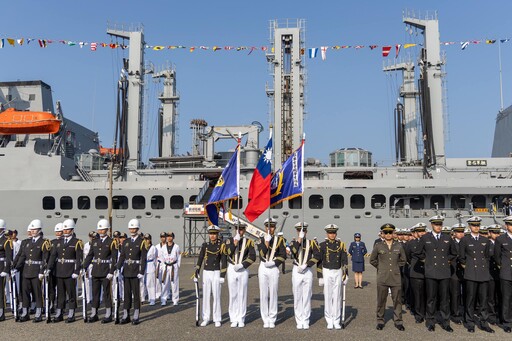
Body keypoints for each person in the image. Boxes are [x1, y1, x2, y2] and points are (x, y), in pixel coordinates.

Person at [413, 215, 457, 332]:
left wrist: (448, 260)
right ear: (432, 225)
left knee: (444, 299)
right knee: (431, 299)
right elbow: (417, 252)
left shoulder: (447, 238)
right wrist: (426, 260)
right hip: (431, 272)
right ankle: (431, 321)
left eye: (440, 224)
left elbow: (454, 252)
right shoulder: (425, 237)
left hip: (444, 272)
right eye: (436, 224)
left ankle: (445, 322)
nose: (439, 226)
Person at [459, 216, 494, 333]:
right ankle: (470, 322)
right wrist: (467, 266)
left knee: (483, 300)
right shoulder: (465, 240)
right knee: (470, 299)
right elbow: (461, 257)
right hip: (471, 273)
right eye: (474, 225)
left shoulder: (485, 241)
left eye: (478, 225)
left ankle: (484, 322)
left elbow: (487, 256)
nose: (476, 227)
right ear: (469, 226)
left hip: (483, 273)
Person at [370, 223, 407, 331]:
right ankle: (380, 321)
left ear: (393, 233)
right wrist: (381, 268)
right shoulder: (378, 246)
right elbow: (372, 260)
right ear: (382, 234)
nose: (388, 234)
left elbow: (403, 260)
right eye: (386, 232)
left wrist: (395, 267)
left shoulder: (399, 246)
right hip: (383, 278)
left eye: (390, 232)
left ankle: (398, 321)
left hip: (395, 278)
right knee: (381, 300)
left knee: (397, 301)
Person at [13, 219, 51, 322]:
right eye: (32, 229)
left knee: (37, 293)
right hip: (26, 271)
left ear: (39, 230)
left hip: (36, 271)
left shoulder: (44, 242)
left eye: (35, 229)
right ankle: (25, 313)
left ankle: (38, 313)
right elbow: (22, 257)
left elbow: (45, 258)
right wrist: (16, 268)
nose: (33, 231)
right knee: (25, 293)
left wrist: (42, 271)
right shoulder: (27, 242)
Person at [82, 219, 118, 323]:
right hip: (96, 270)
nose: (101, 231)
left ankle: (108, 313)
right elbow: (89, 256)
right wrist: (84, 267)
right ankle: (94, 313)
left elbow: (114, 258)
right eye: (99, 229)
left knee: (107, 293)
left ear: (107, 229)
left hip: (106, 270)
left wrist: (112, 271)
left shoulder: (112, 242)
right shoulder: (94, 242)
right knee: (95, 293)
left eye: (103, 229)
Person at [48, 219, 83, 323]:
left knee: (71, 293)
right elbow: (53, 256)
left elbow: (79, 259)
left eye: (68, 229)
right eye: (64, 229)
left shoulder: (77, 242)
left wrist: (77, 271)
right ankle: (59, 312)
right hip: (59, 271)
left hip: (70, 272)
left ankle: (71, 313)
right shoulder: (58, 242)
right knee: (60, 294)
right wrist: (49, 268)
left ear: (72, 230)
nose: (66, 231)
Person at [223, 221, 256, 328]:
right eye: (237, 229)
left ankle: (241, 318)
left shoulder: (249, 242)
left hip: (242, 268)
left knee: (242, 294)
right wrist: (235, 243)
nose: (239, 231)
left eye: (241, 229)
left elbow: (252, 257)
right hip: (232, 268)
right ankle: (233, 317)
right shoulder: (228, 241)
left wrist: (243, 265)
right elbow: (228, 253)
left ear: (244, 230)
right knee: (233, 294)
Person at [116, 218, 148, 325]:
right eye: (130, 228)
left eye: (134, 228)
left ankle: (136, 314)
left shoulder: (142, 242)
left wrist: (142, 271)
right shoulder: (126, 242)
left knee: (136, 294)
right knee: (127, 294)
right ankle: (126, 314)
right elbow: (122, 256)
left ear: (137, 229)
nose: (132, 230)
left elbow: (143, 258)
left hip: (135, 271)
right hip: (126, 270)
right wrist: (117, 268)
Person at [317, 223, 348, 330]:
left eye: (334, 233)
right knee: (328, 296)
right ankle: (329, 320)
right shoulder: (322, 245)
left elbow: (344, 260)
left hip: (338, 271)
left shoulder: (341, 245)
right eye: (330, 233)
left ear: (336, 233)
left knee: (337, 297)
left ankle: (336, 320)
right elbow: (319, 261)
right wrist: (320, 276)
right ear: (327, 233)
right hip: (327, 271)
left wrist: (345, 274)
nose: (332, 235)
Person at [289, 222, 320, 330]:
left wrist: (307, 265)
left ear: (306, 231)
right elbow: (292, 253)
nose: (302, 232)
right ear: (297, 231)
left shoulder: (312, 243)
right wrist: (299, 240)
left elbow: (317, 256)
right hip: (296, 270)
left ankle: (305, 319)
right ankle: (299, 319)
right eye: (299, 231)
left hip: (307, 270)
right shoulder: (293, 243)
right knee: (297, 296)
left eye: (303, 231)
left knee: (307, 296)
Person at [195, 225, 226, 327]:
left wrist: (222, 275)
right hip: (206, 272)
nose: (212, 236)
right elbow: (200, 258)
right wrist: (197, 271)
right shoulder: (205, 245)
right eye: (211, 234)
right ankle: (206, 318)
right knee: (206, 295)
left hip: (216, 271)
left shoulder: (221, 245)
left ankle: (217, 318)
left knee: (216, 295)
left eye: (214, 234)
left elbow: (224, 261)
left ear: (217, 234)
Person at [258, 218, 287, 329]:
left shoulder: (279, 240)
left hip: (273, 267)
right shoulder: (260, 239)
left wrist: (274, 262)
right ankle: (265, 318)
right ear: (265, 227)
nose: (270, 229)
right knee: (264, 294)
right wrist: (266, 243)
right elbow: (261, 255)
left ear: (274, 228)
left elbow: (283, 255)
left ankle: (272, 318)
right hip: (263, 267)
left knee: (273, 293)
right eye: (268, 226)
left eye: (272, 227)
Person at [405, 222, 427, 324]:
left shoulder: (430, 242)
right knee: (417, 295)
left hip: (429, 272)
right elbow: (408, 257)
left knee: (428, 294)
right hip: (416, 272)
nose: (422, 233)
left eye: (423, 231)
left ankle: (428, 312)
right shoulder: (410, 244)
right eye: (419, 231)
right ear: (416, 233)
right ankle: (419, 315)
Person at [495, 216, 512, 333]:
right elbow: (497, 257)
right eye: (510, 224)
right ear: (506, 226)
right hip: (506, 272)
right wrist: (503, 266)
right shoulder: (501, 239)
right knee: (506, 299)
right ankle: (507, 322)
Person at [449, 223, 465, 325]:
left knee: (468, 294)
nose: (461, 234)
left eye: (462, 231)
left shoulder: (467, 242)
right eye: (458, 232)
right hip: (454, 271)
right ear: (454, 233)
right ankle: (455, 314)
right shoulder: (451, 243)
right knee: (455, 294)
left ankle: (466, 313)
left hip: (466, 271)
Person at [159, 232, 181, 306]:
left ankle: (175, 300)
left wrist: (177, 266)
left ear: (173, 237)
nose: (169, 238)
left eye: (170, 236)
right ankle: (163, 299)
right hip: (166, 266)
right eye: (167, 236)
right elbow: (161, 258)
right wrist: (162, 266)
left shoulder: (177, 247)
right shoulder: (163, 247)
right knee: (164, 283)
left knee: (174, 283)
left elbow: (179, 257)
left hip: (173, 266)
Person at [487, 224, 502, 325]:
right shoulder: (486, 244)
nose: (496, 235)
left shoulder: (502, 243)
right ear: (489, 233)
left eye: (498, 232)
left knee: (501, 297)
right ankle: (492, 317)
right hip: (490, 274)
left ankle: (501, 316)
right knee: (491, 297)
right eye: (494, 232)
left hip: (501, 274)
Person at [0, 219, 13, 321]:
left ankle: (1, 312)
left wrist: (6, 269)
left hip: (1, 266)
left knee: (0, 290)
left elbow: (9, 257)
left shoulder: (6, 241)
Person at [142, 233, 158, 306]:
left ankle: (152, 299)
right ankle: (142, 298)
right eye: (145, 239)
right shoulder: (142, 247)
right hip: (143, 265)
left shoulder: (153, 248)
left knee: (150, 283)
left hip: (150, 265)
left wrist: (155, 267)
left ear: (150, 240)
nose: (146, 240)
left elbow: (155, 258)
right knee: (142, 283)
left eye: (147, 239)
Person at [155, 232, 167, 300]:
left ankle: (166, 293)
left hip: (165, 264)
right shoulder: (156, 246)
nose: (163, 238)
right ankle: (158, 293)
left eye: (164, 237)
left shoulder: (168, 246)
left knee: (165, 279)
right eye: (162, 237)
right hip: (159, 264)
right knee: (158, 279)